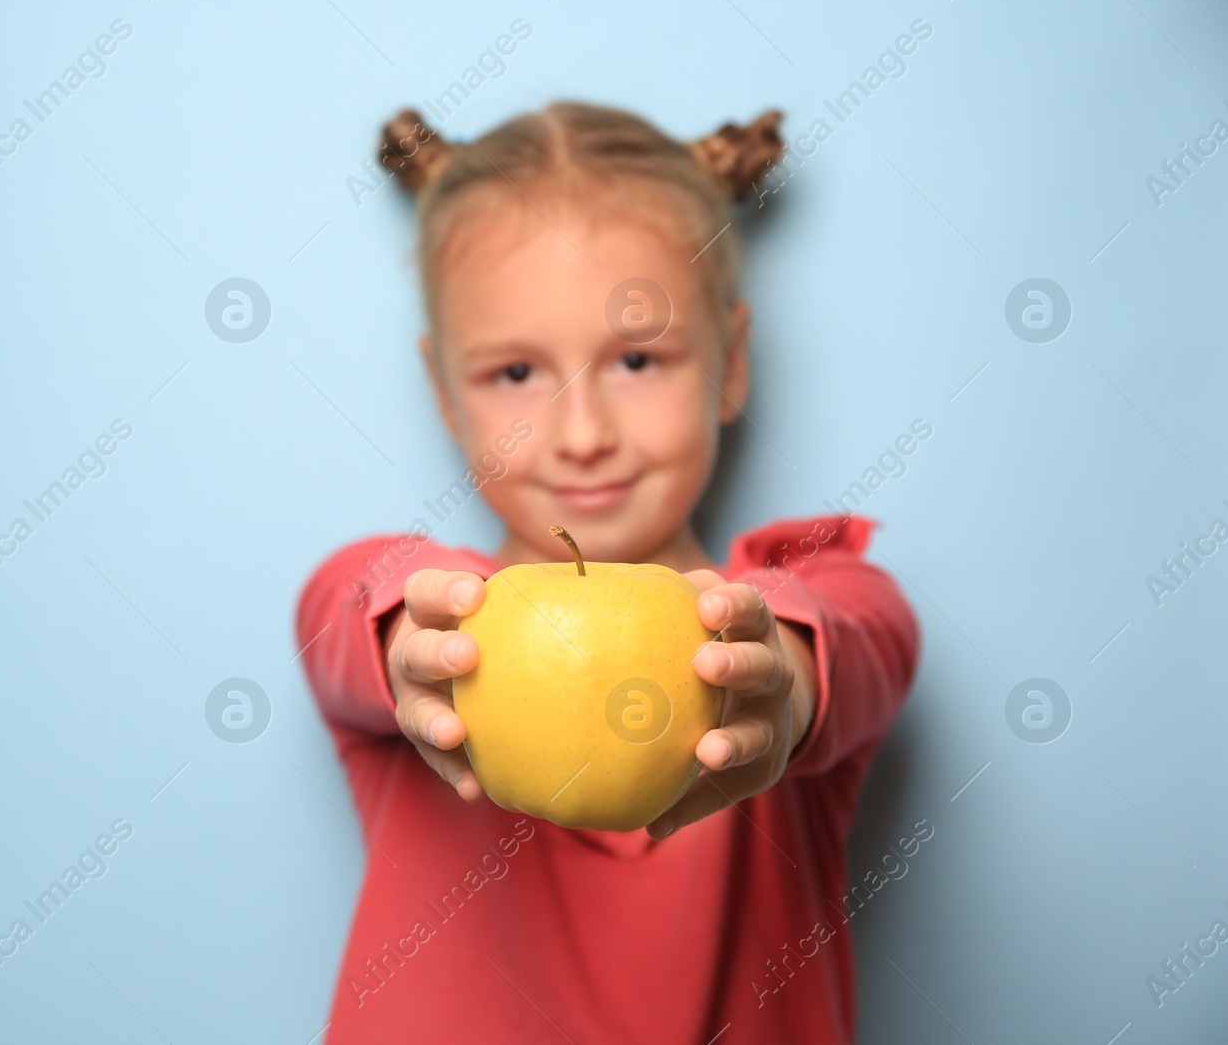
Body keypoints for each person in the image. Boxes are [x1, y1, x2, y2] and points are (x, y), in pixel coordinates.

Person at [294, 101, 920, 1043]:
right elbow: (348, 607)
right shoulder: (424, 612)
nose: (583, 435)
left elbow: (858, 648)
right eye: (514, 373)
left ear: (732, 362)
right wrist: (405, 649)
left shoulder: (811, 597)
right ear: (443, 393)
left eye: (636, 357)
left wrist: (778, 691)